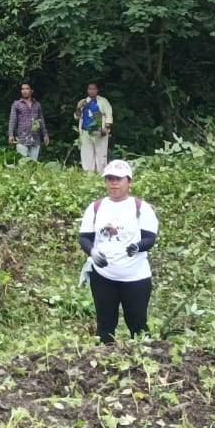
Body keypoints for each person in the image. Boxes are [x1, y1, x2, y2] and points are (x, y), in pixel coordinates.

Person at [78, 159, 158, 345]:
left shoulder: (141, 208)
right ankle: (104, 364)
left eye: (118, 179)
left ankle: (143, 361)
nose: (114, 183)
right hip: (104, 275)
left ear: (129, 181)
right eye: (110, 179)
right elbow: (85, 237)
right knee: (105, 324)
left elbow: (149, 237)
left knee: (137, 323)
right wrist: (92, 252)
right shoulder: (95, 208)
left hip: (135, 276)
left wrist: (138, 246)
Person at [75, 82, 114, 173]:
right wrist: (78, 107)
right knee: (86, 153)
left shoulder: (103, 101)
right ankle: (89, 174)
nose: (92, 91)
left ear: (97, 90)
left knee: (101, 153)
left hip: (100, 131)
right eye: (90, 89)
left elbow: (108, 114)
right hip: (86, 131)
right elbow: (77, 117)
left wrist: (106, 128)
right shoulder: (83, 101)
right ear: (87, 90)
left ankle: (102, 173)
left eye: (94, 89)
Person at [8, 82, 51, 161]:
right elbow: (12, 120)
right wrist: (11, 134)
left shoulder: (37, 104)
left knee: (33, 164)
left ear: (31, 91)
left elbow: (41, 120)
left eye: (27, 89)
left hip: (35, 138)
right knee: (22, 164)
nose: (24, 91)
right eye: (22, 89)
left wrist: (45, 135)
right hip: (22, 138)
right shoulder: (17, 104)